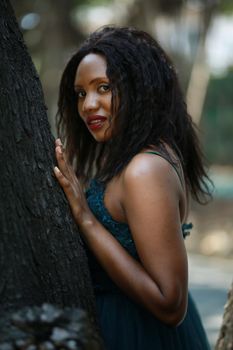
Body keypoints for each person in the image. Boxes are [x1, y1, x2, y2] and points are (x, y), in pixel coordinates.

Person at [54, 26, 211, 350]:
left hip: (140, 335)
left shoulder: (144, 169)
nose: (88, 105)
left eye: (104, 87)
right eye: (81, 93)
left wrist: (85, 217)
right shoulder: (137, 158)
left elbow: (170, 303)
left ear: (138, 89)